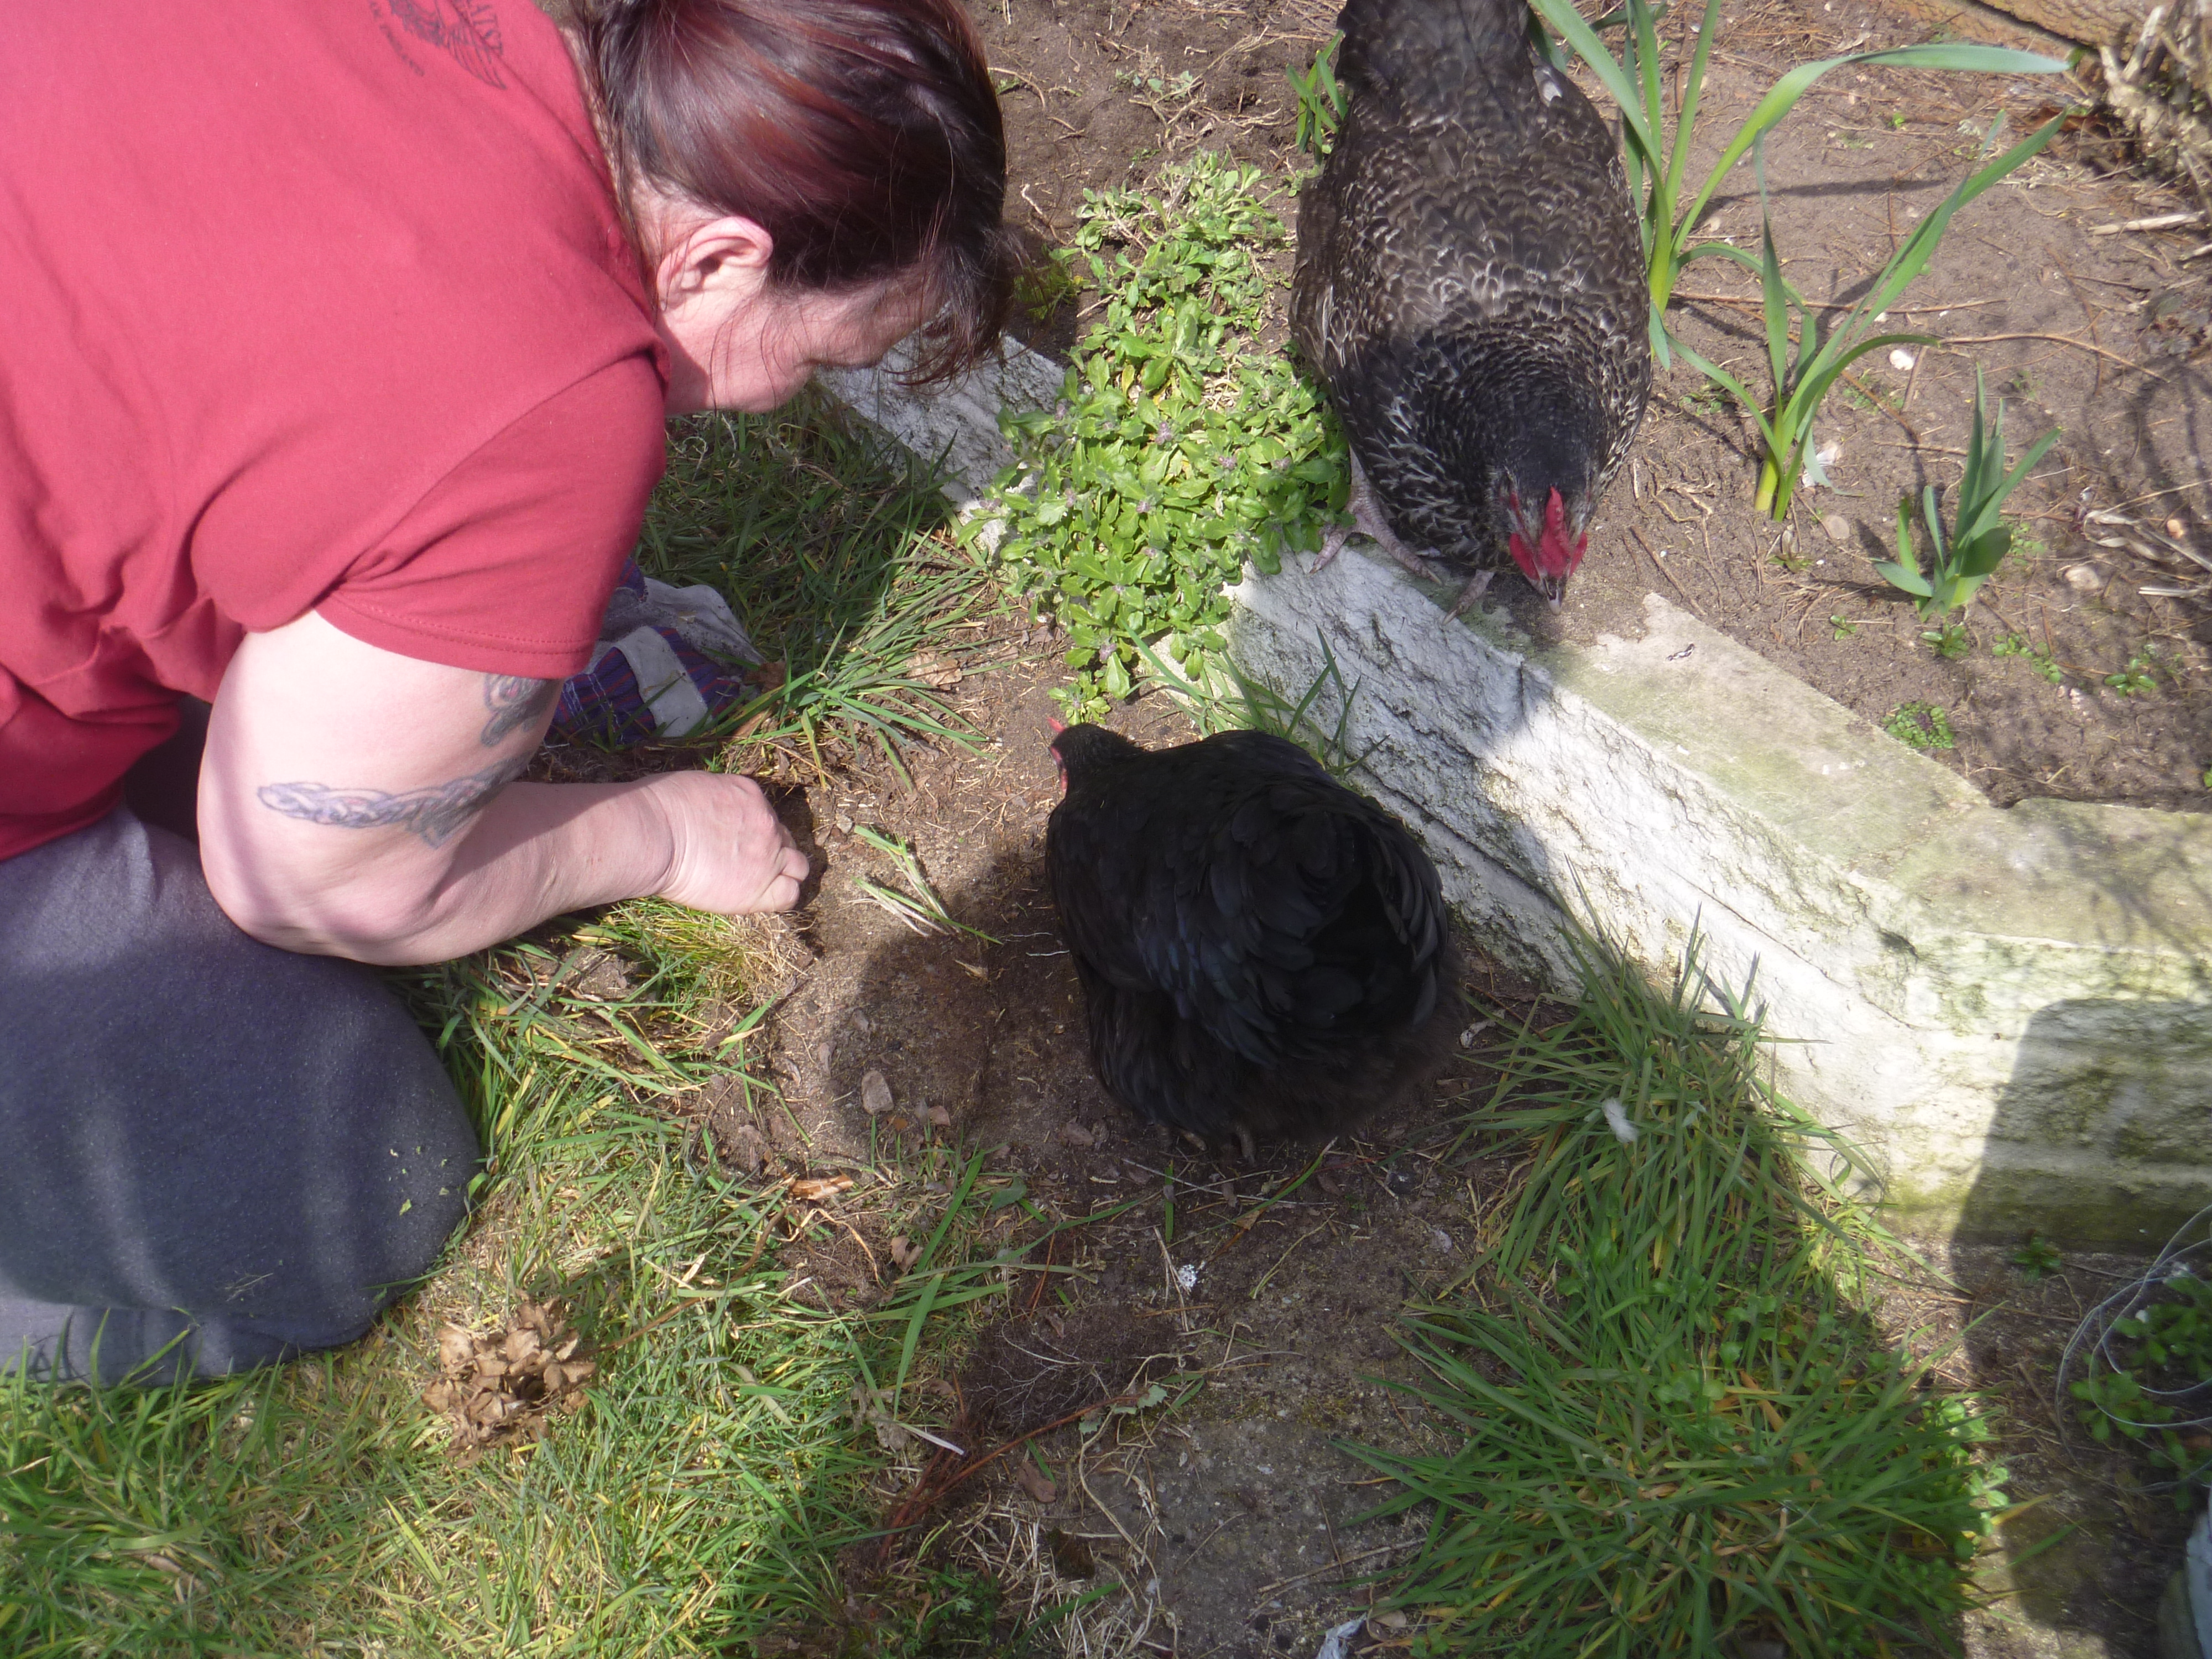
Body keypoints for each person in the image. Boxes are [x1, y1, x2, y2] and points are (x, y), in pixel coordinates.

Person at [0, 0, 1014, 1384]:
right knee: (355, 1195)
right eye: (821, 360)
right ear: (718, 255)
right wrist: (653, 834)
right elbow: (308, 886)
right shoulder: (552, 405)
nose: (773, 402)